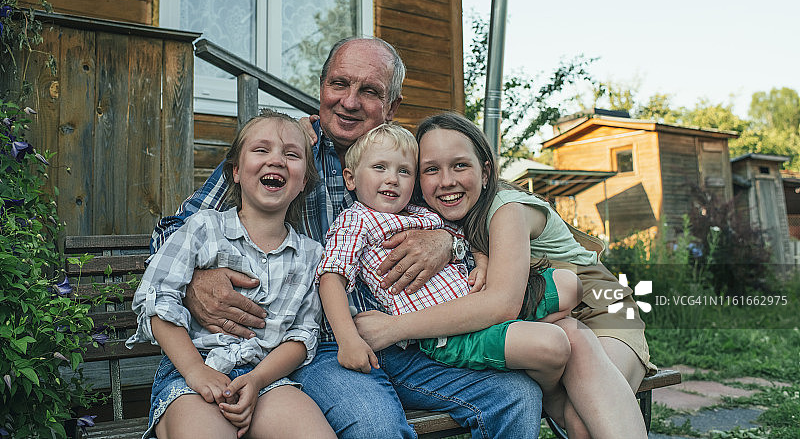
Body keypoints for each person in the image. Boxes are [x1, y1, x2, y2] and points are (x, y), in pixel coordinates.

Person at [151, 38, 544, 438]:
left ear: (392, 106)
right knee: (378, 428)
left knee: (518, 396)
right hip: (321, 348)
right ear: (321, 88)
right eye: (339, 84)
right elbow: (174, 233)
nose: (350, 101)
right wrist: (196, 282)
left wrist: (453, 244)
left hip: (409, 338)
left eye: (369, 91)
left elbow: (466, 209)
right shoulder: (289, 152)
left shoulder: (405, 159)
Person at [354, 112, 651, 439]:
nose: (447, 180)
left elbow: (502, 304)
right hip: (547, 322)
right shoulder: (434, 214)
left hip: (601, 311)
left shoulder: (507, 208)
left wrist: (395, 328)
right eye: (431, 169)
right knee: (576, 406)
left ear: (485, 171)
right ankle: (554, 399)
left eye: (460, 165)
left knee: (582, 417)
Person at [317, 122, 581, 418]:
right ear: (350, 179)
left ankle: (519, 348)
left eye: (403, 171)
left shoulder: (422, 213)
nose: (392, 179)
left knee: (569, 284)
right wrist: (348, 339)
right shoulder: (355, 222)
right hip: (445, 336)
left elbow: (466, 236)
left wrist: (481, 262)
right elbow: (330, 278)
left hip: (472, 309)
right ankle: (557, 403)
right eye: (380, 168)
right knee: (553, 343)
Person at [127, 110, 335, 439]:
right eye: (261, 150)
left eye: (291, 154)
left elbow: (301, 337)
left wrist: (257, 379)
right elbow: (157, 299)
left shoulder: (312, 255)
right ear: (236, 171)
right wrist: (195, 371)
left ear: (304, 182)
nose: (277, 160)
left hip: (266, 379)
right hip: (193, 370)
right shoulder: (203, 228)